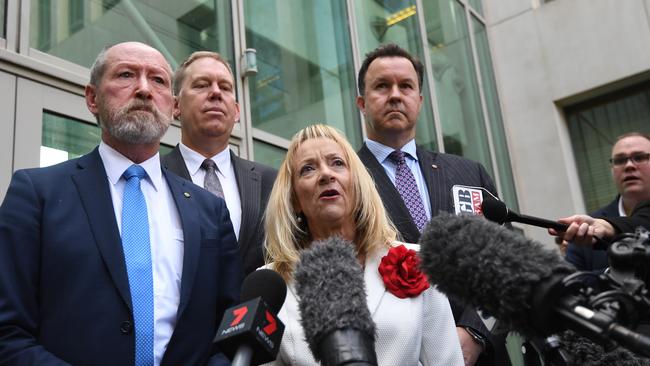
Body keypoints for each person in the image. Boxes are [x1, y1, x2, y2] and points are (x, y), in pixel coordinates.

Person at [0, 42, 241, 365]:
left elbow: (226, 332)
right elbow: (8, 331)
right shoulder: (36, 193)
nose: (143, 89)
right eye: (126, 75)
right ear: (92, 98)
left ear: (172, 106)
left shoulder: (210, 209)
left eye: (157, 80)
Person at [355, 43, 506, 365]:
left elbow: (507, 257)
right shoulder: (345, 181)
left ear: (419, 101)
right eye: (382, 86)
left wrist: (476, 333)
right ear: (361, 102)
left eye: (406, 86)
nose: (395, 95)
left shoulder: (468, 172)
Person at [263, 124, 464, 365]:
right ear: (294, 199)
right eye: (308, 169)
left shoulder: (418, 262)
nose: (326, 174)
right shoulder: (270, 284)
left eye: (337, 163)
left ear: (356, 184)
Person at [162, 51, 277, 275]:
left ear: (236, 111)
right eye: (202, 85)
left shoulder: (271, 182)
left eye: (225, 87)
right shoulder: (154, 176)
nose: (215, 93)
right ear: (175, 106)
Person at [565, 132, 650, 270]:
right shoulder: (587, 229)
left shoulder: (599, 226)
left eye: (639, 157)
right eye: (620, 160)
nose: (629, 166)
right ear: (612, 169)